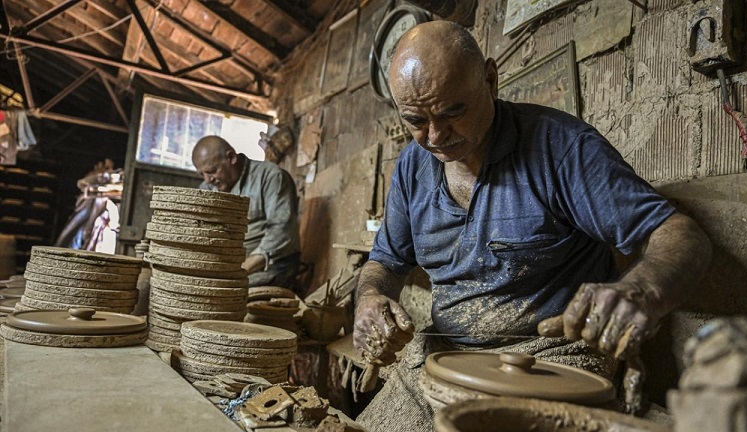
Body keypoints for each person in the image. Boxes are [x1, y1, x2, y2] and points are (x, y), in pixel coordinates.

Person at [352, 21, 711, 431]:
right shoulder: (412, 168)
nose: (434, 136)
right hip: (445, 355)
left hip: (553, 360)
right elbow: (386, 260)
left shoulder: (561, 147)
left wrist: (640, 290)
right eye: (416, 120)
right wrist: (369, 299)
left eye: (453, 111)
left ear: (490, 79)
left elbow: (681, 233)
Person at [192, 135, 301, 289]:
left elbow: (281, 232)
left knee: (223, 294)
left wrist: (240, 270)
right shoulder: (207, 188)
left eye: (212, 171)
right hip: (230, 265)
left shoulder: (270, 176)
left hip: (272, 265)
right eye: (201, 174)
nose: (207, 179)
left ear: (231, 157)